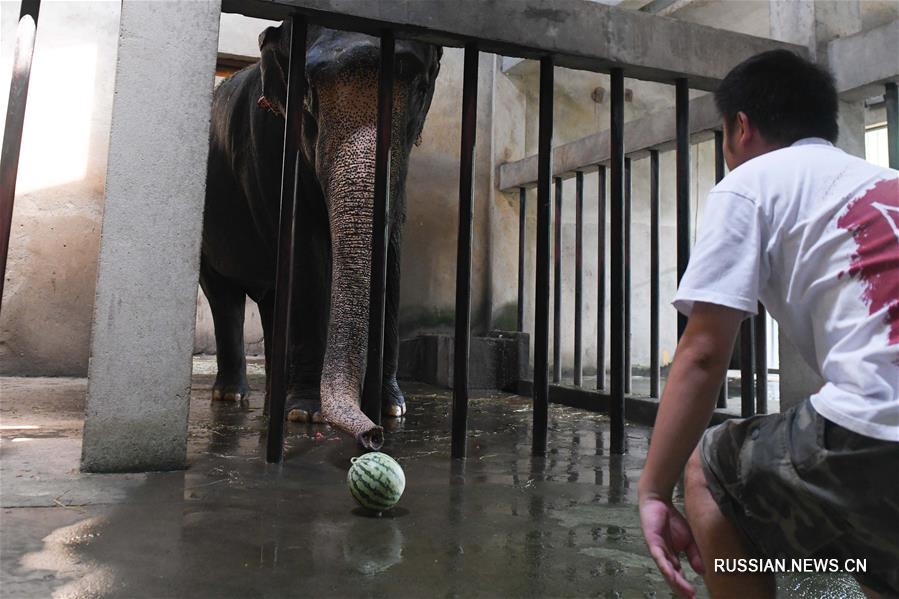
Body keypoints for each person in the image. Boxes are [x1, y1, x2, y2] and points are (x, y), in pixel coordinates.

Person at [638, 49, 899, 599]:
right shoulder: (886, 181)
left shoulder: (752, 181)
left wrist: (653, 492)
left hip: (876, 429)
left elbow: (705, 353)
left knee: (711, 471)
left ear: (740, 126)